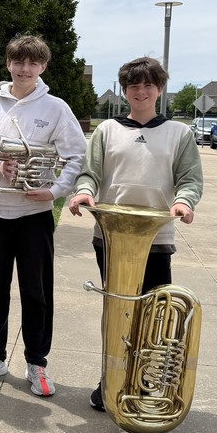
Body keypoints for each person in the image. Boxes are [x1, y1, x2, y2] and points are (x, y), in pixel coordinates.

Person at [67, 56, 203, 411]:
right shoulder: (107, 130)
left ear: (159, 89)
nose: (140, 92)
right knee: (117, 313)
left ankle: (142, 381)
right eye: (133, 86)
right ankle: (110, 378)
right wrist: (83, 192)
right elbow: (90, 174)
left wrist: (185, 203)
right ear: (124, 91)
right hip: (111, 239)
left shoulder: (180, 133)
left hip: (156, 240)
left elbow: (190, 180)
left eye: (148, 85)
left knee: (153, 315)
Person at [0, 35, 87, 397]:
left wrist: (54, 190)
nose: (25, 69)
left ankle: (36, 362)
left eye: (32, 63)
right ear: (9, 64)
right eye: (19, 62)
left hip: (36, 212)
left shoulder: (56, 108)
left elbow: (76, 157)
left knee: (36, 291)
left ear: (43, 67)